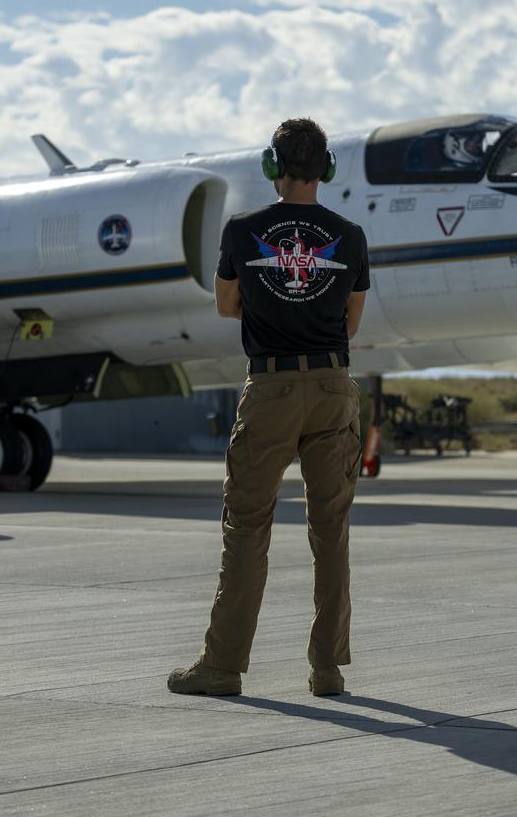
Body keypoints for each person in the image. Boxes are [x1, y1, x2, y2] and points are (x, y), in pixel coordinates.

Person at [168, 117, 369, 698]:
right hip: (332, 388)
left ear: (272, 166)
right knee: (330, 531)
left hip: (271, 388)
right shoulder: (350, 235)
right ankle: (327, 668)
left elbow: (225, 306)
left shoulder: (242, 230)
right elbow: (351, 323)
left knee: (247, 528)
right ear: (326, 168)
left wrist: (270, 306)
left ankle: (223, 666)